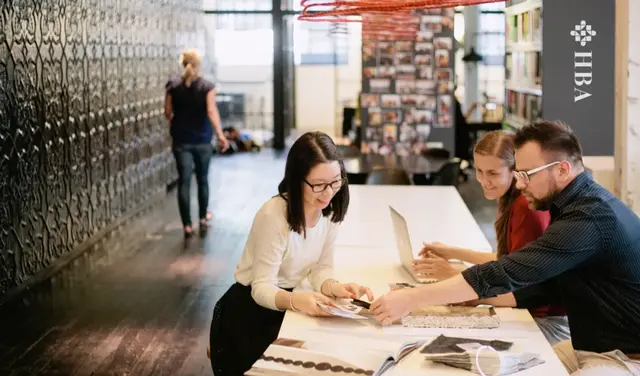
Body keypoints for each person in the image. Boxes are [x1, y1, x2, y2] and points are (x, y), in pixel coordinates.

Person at [370, 121, 640, 375]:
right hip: (590, 346)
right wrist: (460, 296)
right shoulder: (574, 205)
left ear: (562, 170)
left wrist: (412, 299)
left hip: (622, 358)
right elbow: (545, 285)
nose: (519, 183)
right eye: (518, 173)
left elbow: (508, 270)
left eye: (526, 175)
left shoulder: (589, 217)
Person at [209, 131, 374, 376]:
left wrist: (334, 287)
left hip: (287, 305)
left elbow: (320, 269)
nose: (328, 193)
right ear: (297, 179)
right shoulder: (274, 215)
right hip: (248, 314)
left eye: (335, 182)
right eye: (318, 185)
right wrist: (297, 301)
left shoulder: (329, 211)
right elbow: (261, 287)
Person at [412, 130, 569, 345]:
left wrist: (464, 284)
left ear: (515, 171)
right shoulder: (510, 198)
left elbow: (527, 288)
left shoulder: (526, 206)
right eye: (479, 171)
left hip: (545, 320)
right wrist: (451, 252)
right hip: (531, 311)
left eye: (493, 173)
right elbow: (510, 260)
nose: (484, 181)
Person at [164, 48, 230, 238]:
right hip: (202, 140)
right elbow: (211, 111)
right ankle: (202, 218)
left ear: (182, 63)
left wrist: (179, 119)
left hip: (181, 140)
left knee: (183, 181)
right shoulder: (206, 86)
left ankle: (186, 225)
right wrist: (220, 134)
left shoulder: (173, 85)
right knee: (202, 180)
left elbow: (167, 112)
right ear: (199, 64)